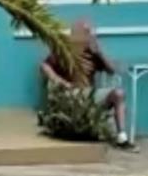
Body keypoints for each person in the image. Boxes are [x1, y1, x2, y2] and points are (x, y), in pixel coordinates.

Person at [41, 19, 132, 148]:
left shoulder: (93, 52)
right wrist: (60, 81)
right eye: (86, 33)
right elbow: (44, 66)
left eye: (90, 33)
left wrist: (99, 53)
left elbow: (112, 70)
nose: (89, 36)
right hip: (70, 95)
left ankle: (122, 137)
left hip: (90, 95)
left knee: (119, 94)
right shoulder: (64, 50)